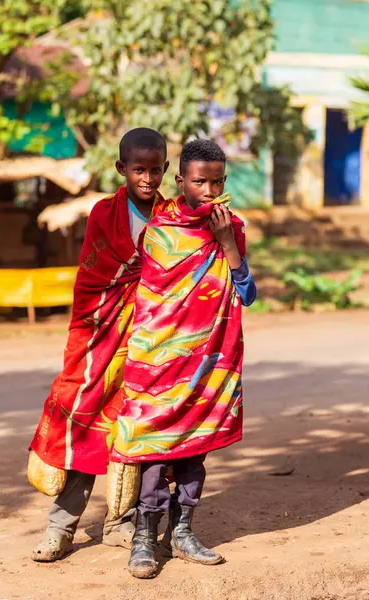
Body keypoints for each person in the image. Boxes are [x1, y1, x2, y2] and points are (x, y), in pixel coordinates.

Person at [110, 139, 256, 578]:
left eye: (216, 182)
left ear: (225, 181)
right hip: (161, 364)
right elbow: (151, 302)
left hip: (210, 363)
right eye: (199, 182)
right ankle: (143, 537)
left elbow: (247, 294)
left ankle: (183, 531)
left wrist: (227, 240)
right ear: (180, 182)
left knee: (196, 448)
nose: (209, 191)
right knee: (156, 447)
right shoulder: (159, 232)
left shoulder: (233, 229)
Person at [30, 128, 171, 562]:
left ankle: (119, 523)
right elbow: (92, 279)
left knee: (134, 429)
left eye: (154, 170)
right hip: (100, 336)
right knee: (83, 418)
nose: (146, 178)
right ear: (121, 169)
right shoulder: (102, 214)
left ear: (166, 170)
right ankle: (61, 525)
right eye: (137, 169)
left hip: (152, 340)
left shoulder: (175, 215)